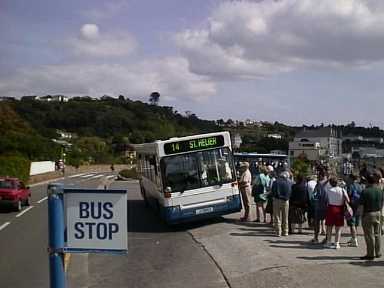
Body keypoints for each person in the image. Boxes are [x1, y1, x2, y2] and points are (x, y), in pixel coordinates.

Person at [359, 169, 383, 260]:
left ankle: (370, 254)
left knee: (369, 235)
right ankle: (378, 252)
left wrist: (361, 216)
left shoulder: (365, 191)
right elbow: (382, 203)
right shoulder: (380, 191)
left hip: (368, 214)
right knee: (377, 234)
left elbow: (361, 206)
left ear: (367, 181)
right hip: (378, 213)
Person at [324, 176, 350, 249]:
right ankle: (337, 243)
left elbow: (326, 199)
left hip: (331, 208)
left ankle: (328, 242)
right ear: (337, 183)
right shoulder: (342, 190)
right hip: (340, 209)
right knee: (338, 228)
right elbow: (348, 200)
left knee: (329, 227)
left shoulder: (329, 190)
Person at [310, 171, 329, 244]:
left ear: (321, 176)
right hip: (327, 206)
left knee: (317, 223)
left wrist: (314, 203)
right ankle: (327, 238)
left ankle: (316, 238)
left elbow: (314, 195)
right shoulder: (330, 184)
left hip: (319, 206)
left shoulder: (318, 184)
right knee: (328, 224)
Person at [272, 171, 292, 236]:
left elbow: (273, 191)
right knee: (285, 217)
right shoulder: (289, 182)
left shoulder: (275, 182)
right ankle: (285, 231)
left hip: (277, 200)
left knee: (277, 216)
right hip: (286, 201)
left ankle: (278, 232)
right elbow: (290, 191)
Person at [346, 174, 363, 247]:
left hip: (352, 207)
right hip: (358, 206)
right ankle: (353, 237)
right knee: (355, 223)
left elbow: (349, 195)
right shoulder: (360, 186)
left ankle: (355, 239)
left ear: (351, 178)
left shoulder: (351, 186)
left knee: (352, 223)